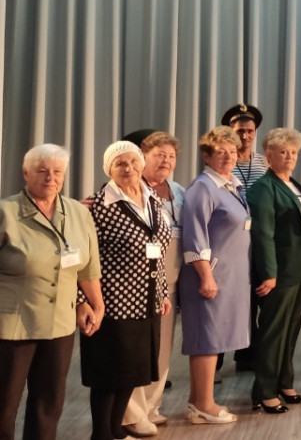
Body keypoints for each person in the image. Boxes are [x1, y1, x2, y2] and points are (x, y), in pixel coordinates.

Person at [1, 145, 102, 440]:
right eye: (42, 171)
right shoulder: (6, 212)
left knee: (49, 402)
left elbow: (88, 266)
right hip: (12, 325)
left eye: (57, 171)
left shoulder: (78, 212)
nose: (50, 177)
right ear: (25, 173)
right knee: (4, 403)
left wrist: (95, 304)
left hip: (60, 323)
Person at [81, 141, 173, 440]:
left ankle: (115, 431)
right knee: (109, 373)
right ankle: (101, 434)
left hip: (147, 302)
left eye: (133, 161)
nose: (128, 168)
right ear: (109, 170)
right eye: (120, 163)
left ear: (141, 165)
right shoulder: (98, 206)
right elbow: (83, 258)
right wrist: (84, 301)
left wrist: (162, 292)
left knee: (132, 371)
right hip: (111, 304)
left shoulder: (153, 199)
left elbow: (159, 250)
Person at [178, 126, 251, 424]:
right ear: (206, 156)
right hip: (209, 276)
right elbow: (195, 236)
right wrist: (206, 276)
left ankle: (197, 403)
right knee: (207, 339)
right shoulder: (203, 188)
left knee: (213, 338)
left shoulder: (231, 186)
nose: (228, 156)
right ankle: (206, 404)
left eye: (232, 151)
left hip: (230, 276)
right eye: (220, 152)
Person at [247, 129, 301, 413]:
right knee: (273, 332)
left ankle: (284, 381)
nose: (289, 156)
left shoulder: (296, 186)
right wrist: (269, 273)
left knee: (290, 331)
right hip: (280, 272)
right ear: (269, 155)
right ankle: (264, 391)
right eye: (282, 152)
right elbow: (262, 234)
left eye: (293, 152)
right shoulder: (264, 188)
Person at [121, 132, 186, 436]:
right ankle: (132, 414)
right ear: (142, 158)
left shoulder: (178, 190)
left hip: (169, 281)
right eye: (159, 155)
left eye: (171, 156)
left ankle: (151, 407)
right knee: (137, 350)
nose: (166, 161)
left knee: (162, 348)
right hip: (135, 284)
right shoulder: (131, 190)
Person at [221, 104, 265, 374]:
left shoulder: (264, 161)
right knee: (232, 298)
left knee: (256, 296)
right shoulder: (223, 161)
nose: (245, 136)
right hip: (232, 238)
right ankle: (218, 359)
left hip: (259, 238)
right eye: (240, 131)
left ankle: (249, 352)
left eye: (250, 131)